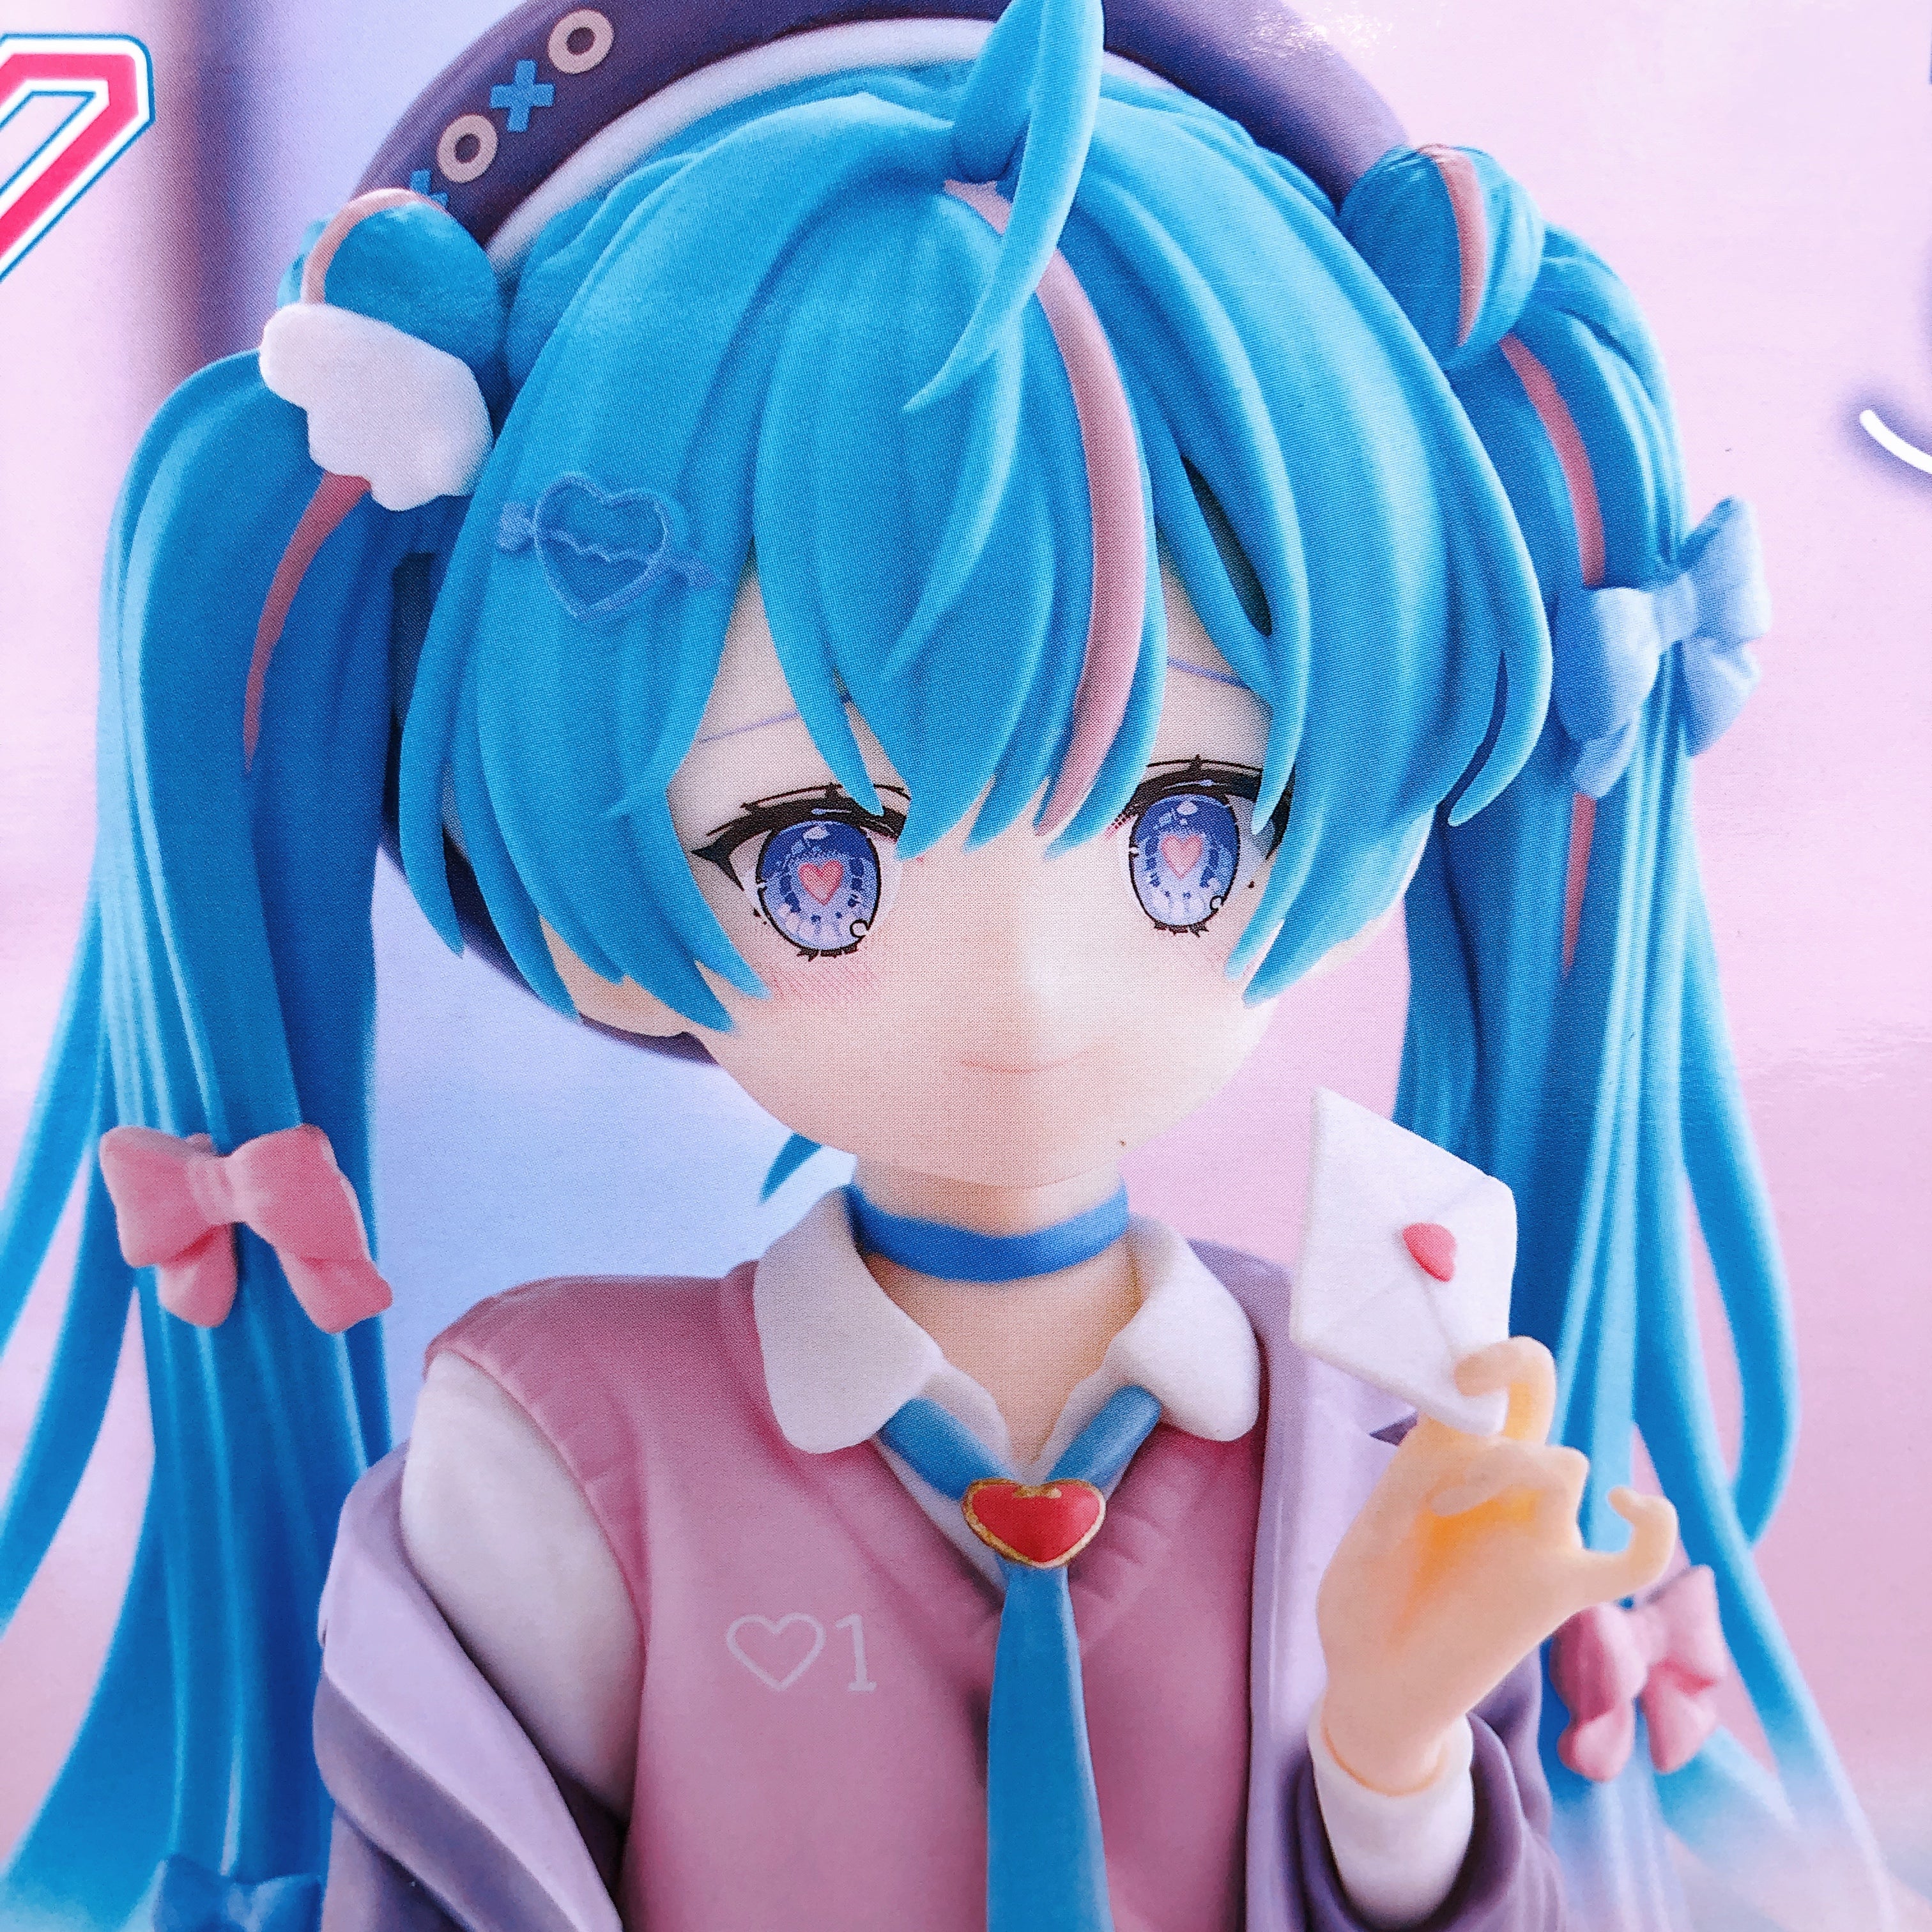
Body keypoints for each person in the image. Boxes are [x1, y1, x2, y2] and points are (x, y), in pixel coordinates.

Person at [0, 0, 1891, 1927]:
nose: (1030, 992)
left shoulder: (1364, 1434)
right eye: (817, 863)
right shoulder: (560, 1451)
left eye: (1185, 837)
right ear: (598, 922)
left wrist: (1395, 1756)